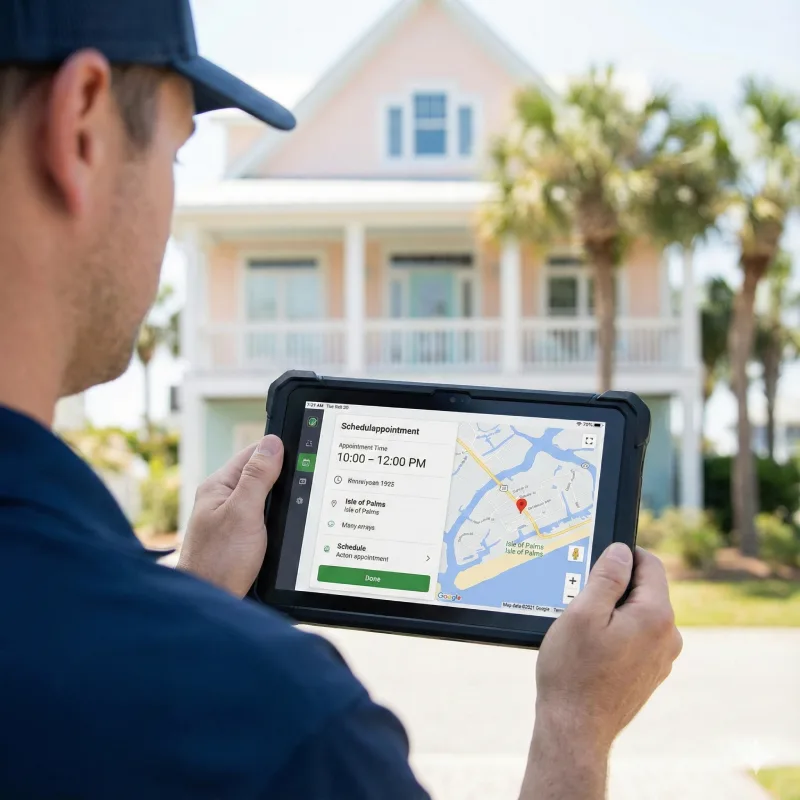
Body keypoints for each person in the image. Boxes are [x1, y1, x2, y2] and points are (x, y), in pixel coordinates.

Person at [0, 1, 683, 797]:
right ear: (81, 126)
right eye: (177, 156)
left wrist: (196, 603)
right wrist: (576, 727)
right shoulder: (279, 727)